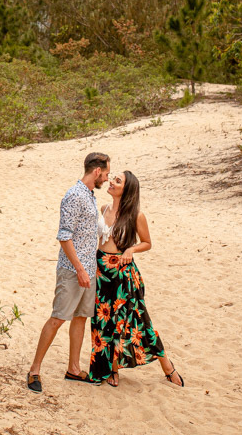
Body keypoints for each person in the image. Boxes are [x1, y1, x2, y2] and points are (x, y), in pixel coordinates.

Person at [88, 170, 183, 387]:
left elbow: (147, 242)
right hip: (101, 272)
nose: (111, 182)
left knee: (138, 321)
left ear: (127, 189)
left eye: (117, 181)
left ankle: (167, 366)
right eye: (113, 179)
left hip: (123, 274)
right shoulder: (103, 208)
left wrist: (131, 249)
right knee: (103, 322)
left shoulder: (136, 215)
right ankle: (111, 370)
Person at [26, 152, 110, 393]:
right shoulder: (74, 196)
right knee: (58, 318)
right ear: (96, 171)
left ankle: (74, 368)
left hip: (88, 270)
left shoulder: (91, 196)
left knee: (81, 317)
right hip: (73, 271)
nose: (106, 178)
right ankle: (34, 370)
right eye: (105, 173)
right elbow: (64, 236)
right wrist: (80, 270)